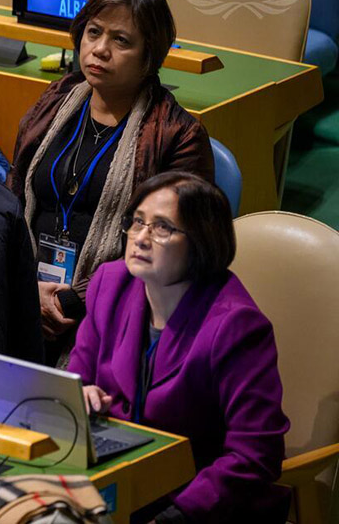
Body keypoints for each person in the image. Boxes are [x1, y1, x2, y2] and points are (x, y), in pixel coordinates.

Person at [5, 0, 214, 363]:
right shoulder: (56, 100)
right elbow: (13, 195)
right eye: (93, 32)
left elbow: (173, 246)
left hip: (119, 309)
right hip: (25, 292)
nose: (100, 49)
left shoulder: (178, 135)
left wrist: (72, 298)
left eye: (121, 41)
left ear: (150, 57)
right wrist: (23, 285)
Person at [69, 172, 289, 524]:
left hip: (192, 506)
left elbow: (257, 453)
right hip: (109, 483)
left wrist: (179, 515)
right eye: (137, 222)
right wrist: (81, 395)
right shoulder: (109, 283)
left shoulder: (235, 326)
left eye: (162, 228)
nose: (140, 238)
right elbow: (73, 380)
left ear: (201, 242)